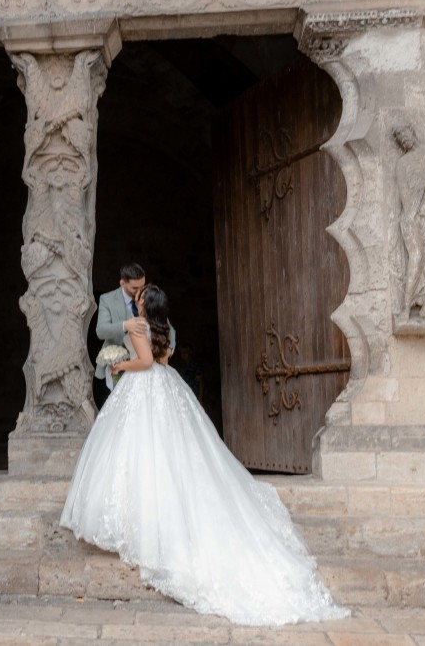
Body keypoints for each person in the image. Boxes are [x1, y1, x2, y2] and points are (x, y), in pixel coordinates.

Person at [61, 285, 349, 626]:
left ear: (145, 304)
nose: (136, 301)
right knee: (174, 448)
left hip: (143, 387)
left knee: (142, 450)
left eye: (140, 299)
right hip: (166, 387)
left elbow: (147, 361)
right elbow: (165, 360)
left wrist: (119, 363)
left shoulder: (138, 326)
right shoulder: (165, 329)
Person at [93, 263, 174, 407]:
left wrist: (168, 351)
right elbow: (101, 331)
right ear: (122, 283)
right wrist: (125, 325)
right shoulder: (107, 299)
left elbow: (167, 328)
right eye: (135, 288)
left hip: (147, 371)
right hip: (116, 367)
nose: (139, 291)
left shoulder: (148, 298)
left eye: (142, 286)